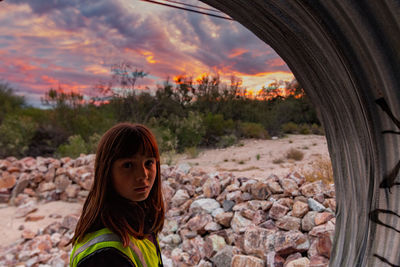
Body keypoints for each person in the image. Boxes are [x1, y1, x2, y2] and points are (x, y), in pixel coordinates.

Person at [69, 123, 165, 267]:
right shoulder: (104, 255)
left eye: (149, 163)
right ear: (107, 172)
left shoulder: (140, 220)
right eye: (128, 165)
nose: (142, 175)